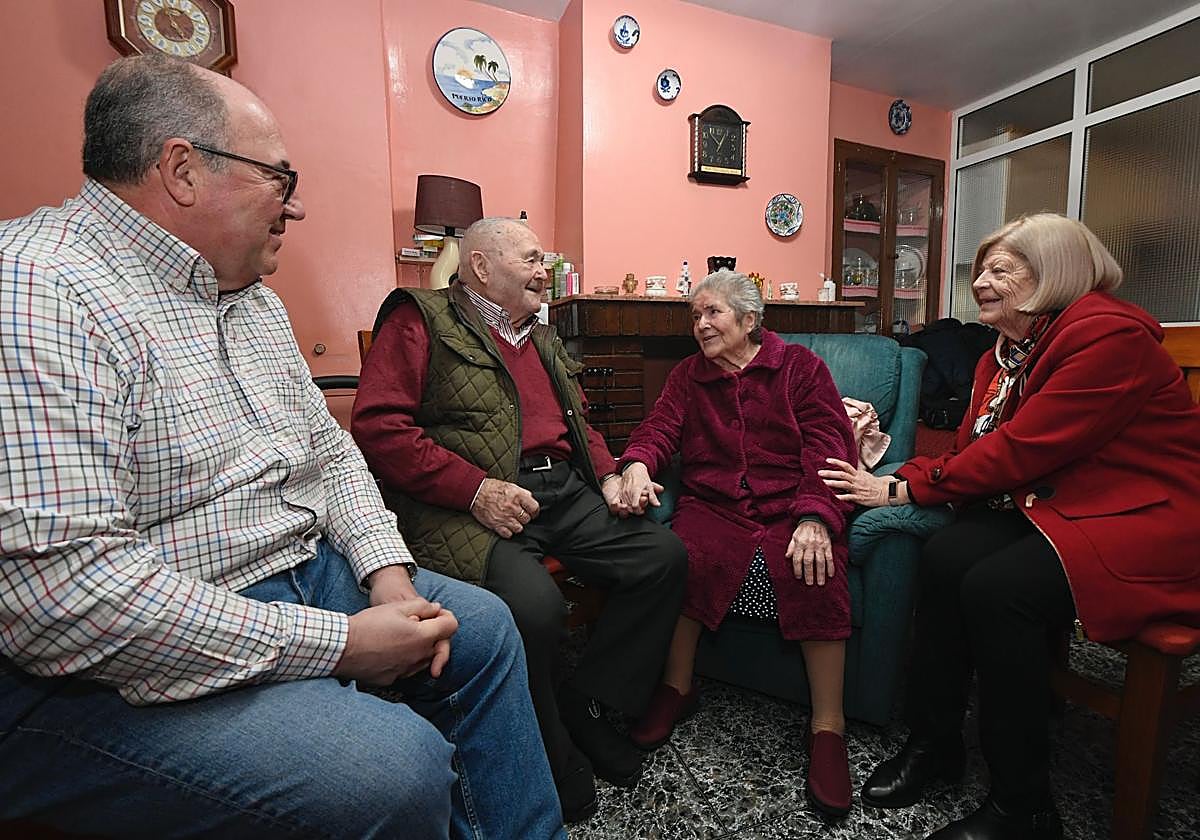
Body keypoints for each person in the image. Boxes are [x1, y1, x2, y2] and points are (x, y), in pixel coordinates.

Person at [0, 55, 564, 840]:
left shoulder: (252, 299)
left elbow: (332, 455)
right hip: (133, 645)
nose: (292, 210)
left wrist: (388, 578)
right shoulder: (36, 287)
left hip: (308, 571)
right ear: (182, 170)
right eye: (279, 179)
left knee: (486, 628)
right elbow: (60, 598)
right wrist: (342, 644)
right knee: (389, 769)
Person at [820, 213, 1200, 840]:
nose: (982, 283)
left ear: (1053, 272)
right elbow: (974, 446)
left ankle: (1024, 806)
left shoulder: (1106, 336)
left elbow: (1021, 451)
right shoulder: (1002, 357)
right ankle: (936, 743)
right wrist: (902, 474)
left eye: (1002, 269)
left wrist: (902, 486)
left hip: (1146, 517)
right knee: (945, 554)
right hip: (1066, 504)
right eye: (981, 270)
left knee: (998, 589)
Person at [350, 217, 688, 823]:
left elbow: (578, 423)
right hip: (471, 502)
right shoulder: (420, 318)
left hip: (561, 488)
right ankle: (553, 748)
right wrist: (475, 489)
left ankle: (583, 701)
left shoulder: (542, 334)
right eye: (533, 258)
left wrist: (610, 476)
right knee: (535, 608)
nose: (546, 270)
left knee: (662, 557)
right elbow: (378, 429)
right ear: (482, 266)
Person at [615, 269, 859, 818]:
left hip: (791, 503)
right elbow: (658, 430)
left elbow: (829, 445)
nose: (700, 325)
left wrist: (817, 516)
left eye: (713, 313)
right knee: (684, 556)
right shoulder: (686, 377)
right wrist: (634, 464)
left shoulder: (799, 368)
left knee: (812, 567)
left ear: (750, 321)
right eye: (695, 315)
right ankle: (678, 688)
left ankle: (828, 726)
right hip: (713, 505)